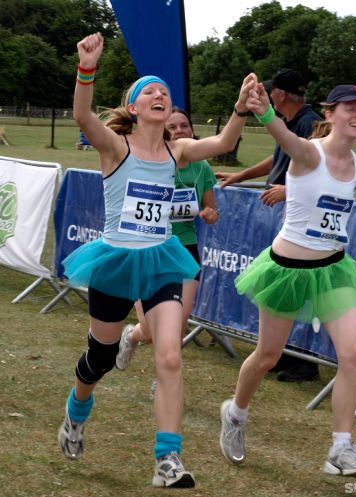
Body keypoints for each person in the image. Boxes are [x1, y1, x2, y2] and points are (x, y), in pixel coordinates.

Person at [57, 32, 255, 489]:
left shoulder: (178, 150)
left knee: (169, 356)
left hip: (163, 260)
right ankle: (76, 411)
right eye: (150, 90)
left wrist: (242, 106)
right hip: (115, 260)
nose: (160, 94)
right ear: (134, 107)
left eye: (165, 91)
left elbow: (225, 140)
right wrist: (87, 67)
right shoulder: (115, 147)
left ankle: (167, 459)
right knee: (99, 358)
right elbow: (82, 115)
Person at [219, 82, 356, 477]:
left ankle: (340, 449)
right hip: (287, 271)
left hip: (333, 270)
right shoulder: (307, 154)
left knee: (351, 356)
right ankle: (235, 413)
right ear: (329, 114)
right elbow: (280, 133)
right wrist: (264, 111)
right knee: (266, 356)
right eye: (350, 107)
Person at [216, 68, 322, 382]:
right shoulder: (290, 122)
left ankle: (307, 359)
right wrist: (241, 175)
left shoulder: (310, 122)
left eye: (271, 91)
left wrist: (289, 190)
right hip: (283, 212)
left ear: (278, 95)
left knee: (299, 287)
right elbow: (276, 158)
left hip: (300, 216)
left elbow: (324, 169)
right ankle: (283, 354)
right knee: (283, 287)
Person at [115, 107, 220, 381]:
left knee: (177, 326)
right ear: (163, 132)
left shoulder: (203, 167)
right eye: (172, 127)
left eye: (184, 125)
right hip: (147, 248)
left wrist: (209, 214)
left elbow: (211, 210)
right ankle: (133, 335)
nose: (180, 131)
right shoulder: (152, 162)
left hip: (184, 250)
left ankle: (163, 379)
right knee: (150, 329)